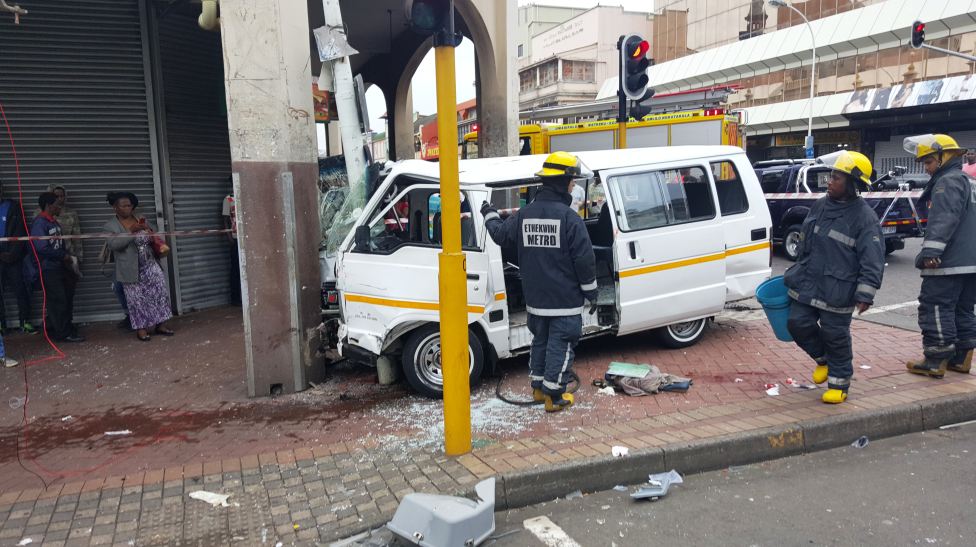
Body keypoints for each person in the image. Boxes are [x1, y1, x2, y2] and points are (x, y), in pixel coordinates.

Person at [481, 151, 598, 412]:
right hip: (564, 300)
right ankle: (554, 397)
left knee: (540, 342)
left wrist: (488, 213)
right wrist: (591, 292)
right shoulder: (570, 219)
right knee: (562, 344)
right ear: (563, 183)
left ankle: (537, 388)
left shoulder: (525, 215)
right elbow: (584, 260)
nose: (573, 185)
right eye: (572, 181)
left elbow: (499, 234)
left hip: (535, 300)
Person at [784, 150, 884, 404]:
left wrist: (866, 293)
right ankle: (823, 360)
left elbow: (872, 258)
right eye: (831, 176)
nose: (829, 181)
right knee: (797, 323)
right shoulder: (820, 204)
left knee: (835, 336)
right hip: (809, 282)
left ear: (852, 184)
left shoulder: (865, 218)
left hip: (839, 289)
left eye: (837, 178)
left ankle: (840, 384)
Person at [903, 134, 976, 378]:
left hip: (949, 261)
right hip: (971, 262)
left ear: (945, 157)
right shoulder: (968, 180)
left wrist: (931, 252)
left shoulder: (947, 181)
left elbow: (944, 218)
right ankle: (962, 358)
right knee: (962, 309)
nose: (927, 167)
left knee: (935, 305)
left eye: (929, 162)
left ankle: (935, 360)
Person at [103, 192, 174, 342]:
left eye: (129, 205)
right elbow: (114, 245)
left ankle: (161, 324)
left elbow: (153, 234)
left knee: (159, 293)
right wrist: (131, 231)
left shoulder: (140, 218)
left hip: (150, 264)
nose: (127, 208)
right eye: (123, 206)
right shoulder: (110, 225)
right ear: (115, 207)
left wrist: (148, 228)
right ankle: (141, 330)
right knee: (136, 300)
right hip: (130, 268)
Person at [30, 192, 84, 343]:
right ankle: (62, 333)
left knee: (65, 298)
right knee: (58, 300)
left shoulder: (53, 222)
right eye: (57, 204)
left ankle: (59, 327)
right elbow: (41, 247)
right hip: (49, 269)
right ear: (48, 205)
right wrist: (63, 256)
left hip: (60, 267)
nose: (60, 206)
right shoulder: (40, 223)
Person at [0, 179, 35, 335]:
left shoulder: (13, 206)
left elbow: (21, 231)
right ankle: (1, 325)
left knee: (21, 290)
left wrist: (12, 254)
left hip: (13, 257)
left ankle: (25, 322)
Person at [222, 193, 241, 305]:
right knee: (236, 268)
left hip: (245, 238)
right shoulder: (228, 199)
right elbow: (225, 220)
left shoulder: (244, 195)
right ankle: (235, 298)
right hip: (235, 237)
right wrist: (229, 237)